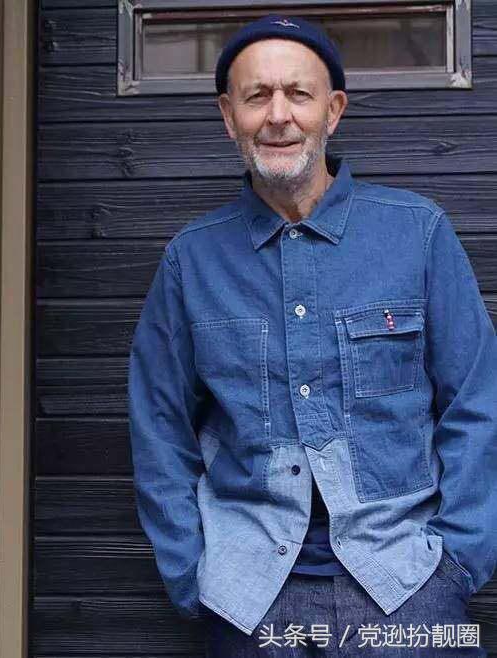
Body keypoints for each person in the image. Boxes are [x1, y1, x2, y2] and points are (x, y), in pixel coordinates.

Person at [128, 14, 496, 656]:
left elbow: (477, 402)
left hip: (408, 582)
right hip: (248, 597)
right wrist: (191, 574)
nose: (278, 115)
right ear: (229, 116)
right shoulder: (191, 261)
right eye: (257, 96)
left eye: (298, 94)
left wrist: (458, 563)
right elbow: (159, 426)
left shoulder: (417, 234)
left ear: (333, 110)